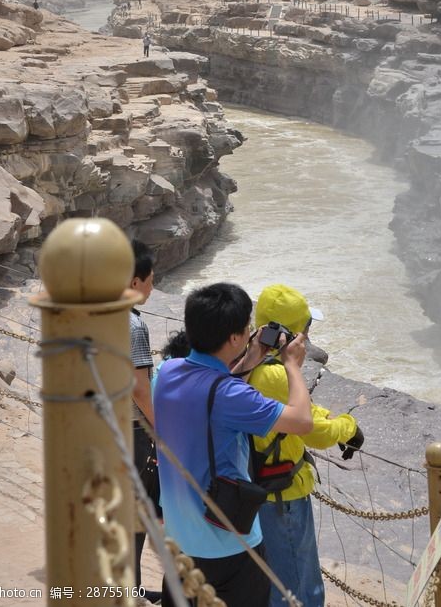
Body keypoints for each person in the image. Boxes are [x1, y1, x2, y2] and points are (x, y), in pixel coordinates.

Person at [154, 282, 313, 607]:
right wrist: (292, 366)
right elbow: (302, 420)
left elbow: (212, 386)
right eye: (246, 328)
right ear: (235, 338)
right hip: (229, 544)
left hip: (179, 539)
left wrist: (253, 355)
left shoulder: (166, 373)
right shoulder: (231, 396)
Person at [249, 284, 364, 607]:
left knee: (268, 580)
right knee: (299, 588)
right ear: (291, 334)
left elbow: (305, 411)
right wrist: (349, 426)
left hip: (252, 490)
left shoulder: (248, 360)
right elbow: (313, 430)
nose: (309, 334)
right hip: (281, 496)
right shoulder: (278, 375)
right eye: (306, 327)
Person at [128, 239, 160, 603]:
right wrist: (161, 431)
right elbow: (140, 388)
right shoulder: (134, 325)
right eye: (150, 279)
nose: (153, 286)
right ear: (135, 281)